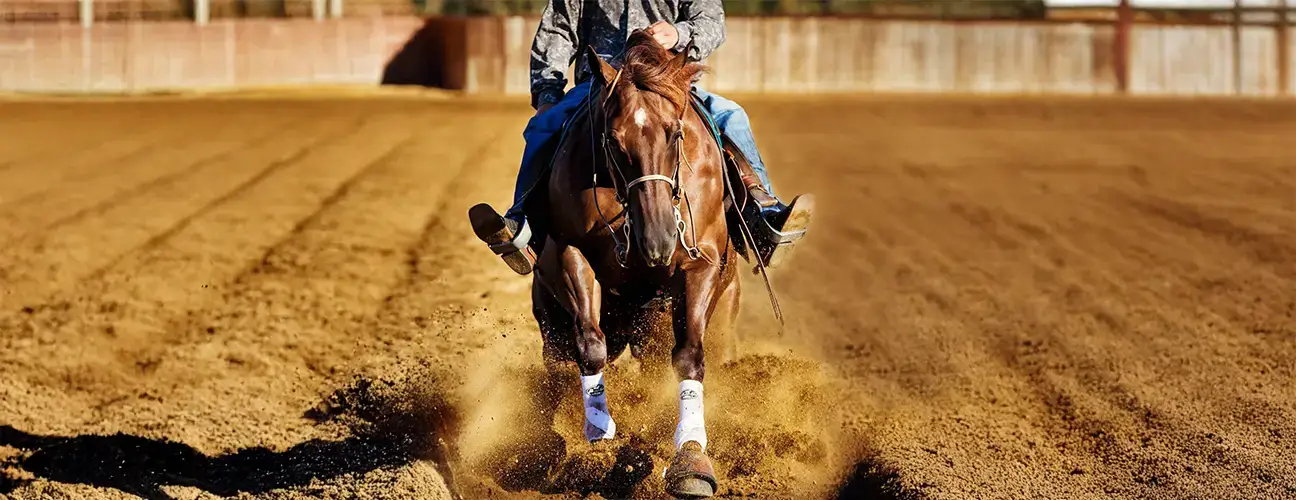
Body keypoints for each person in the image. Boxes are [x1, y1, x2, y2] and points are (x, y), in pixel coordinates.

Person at [467, 0, 814, 275]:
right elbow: (558, 32)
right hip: (602, 84)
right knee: (543, 127)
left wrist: (677, 34)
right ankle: (524, 228)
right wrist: (547, 94)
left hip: (668, 83)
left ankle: (762, 214)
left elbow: (712, 23)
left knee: (732, 116)